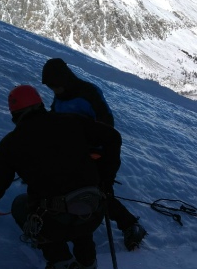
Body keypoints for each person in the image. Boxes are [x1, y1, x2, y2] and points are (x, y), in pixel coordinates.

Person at [0, 85, 122, 269]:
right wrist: (106, 180)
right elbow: (113, 137)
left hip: (54, 222)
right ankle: (87, 261)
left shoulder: (11, 144)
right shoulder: (72, 121)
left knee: (21, 205)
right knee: (78, 201)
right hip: (93, 212)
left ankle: (60, 259)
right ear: (40, 104)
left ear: (14, 114)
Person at [41, 58, 147, 251]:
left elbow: (107, 126)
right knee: (78, 190)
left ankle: (130, 225)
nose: (53, 90)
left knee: (99, 191)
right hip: (73, 154)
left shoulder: (88, 93)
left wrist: (91, 146)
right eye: (51, 87)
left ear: (64, 79)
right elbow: (55, 120)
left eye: (55, 86)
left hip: (96, 153)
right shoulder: (60, 97)